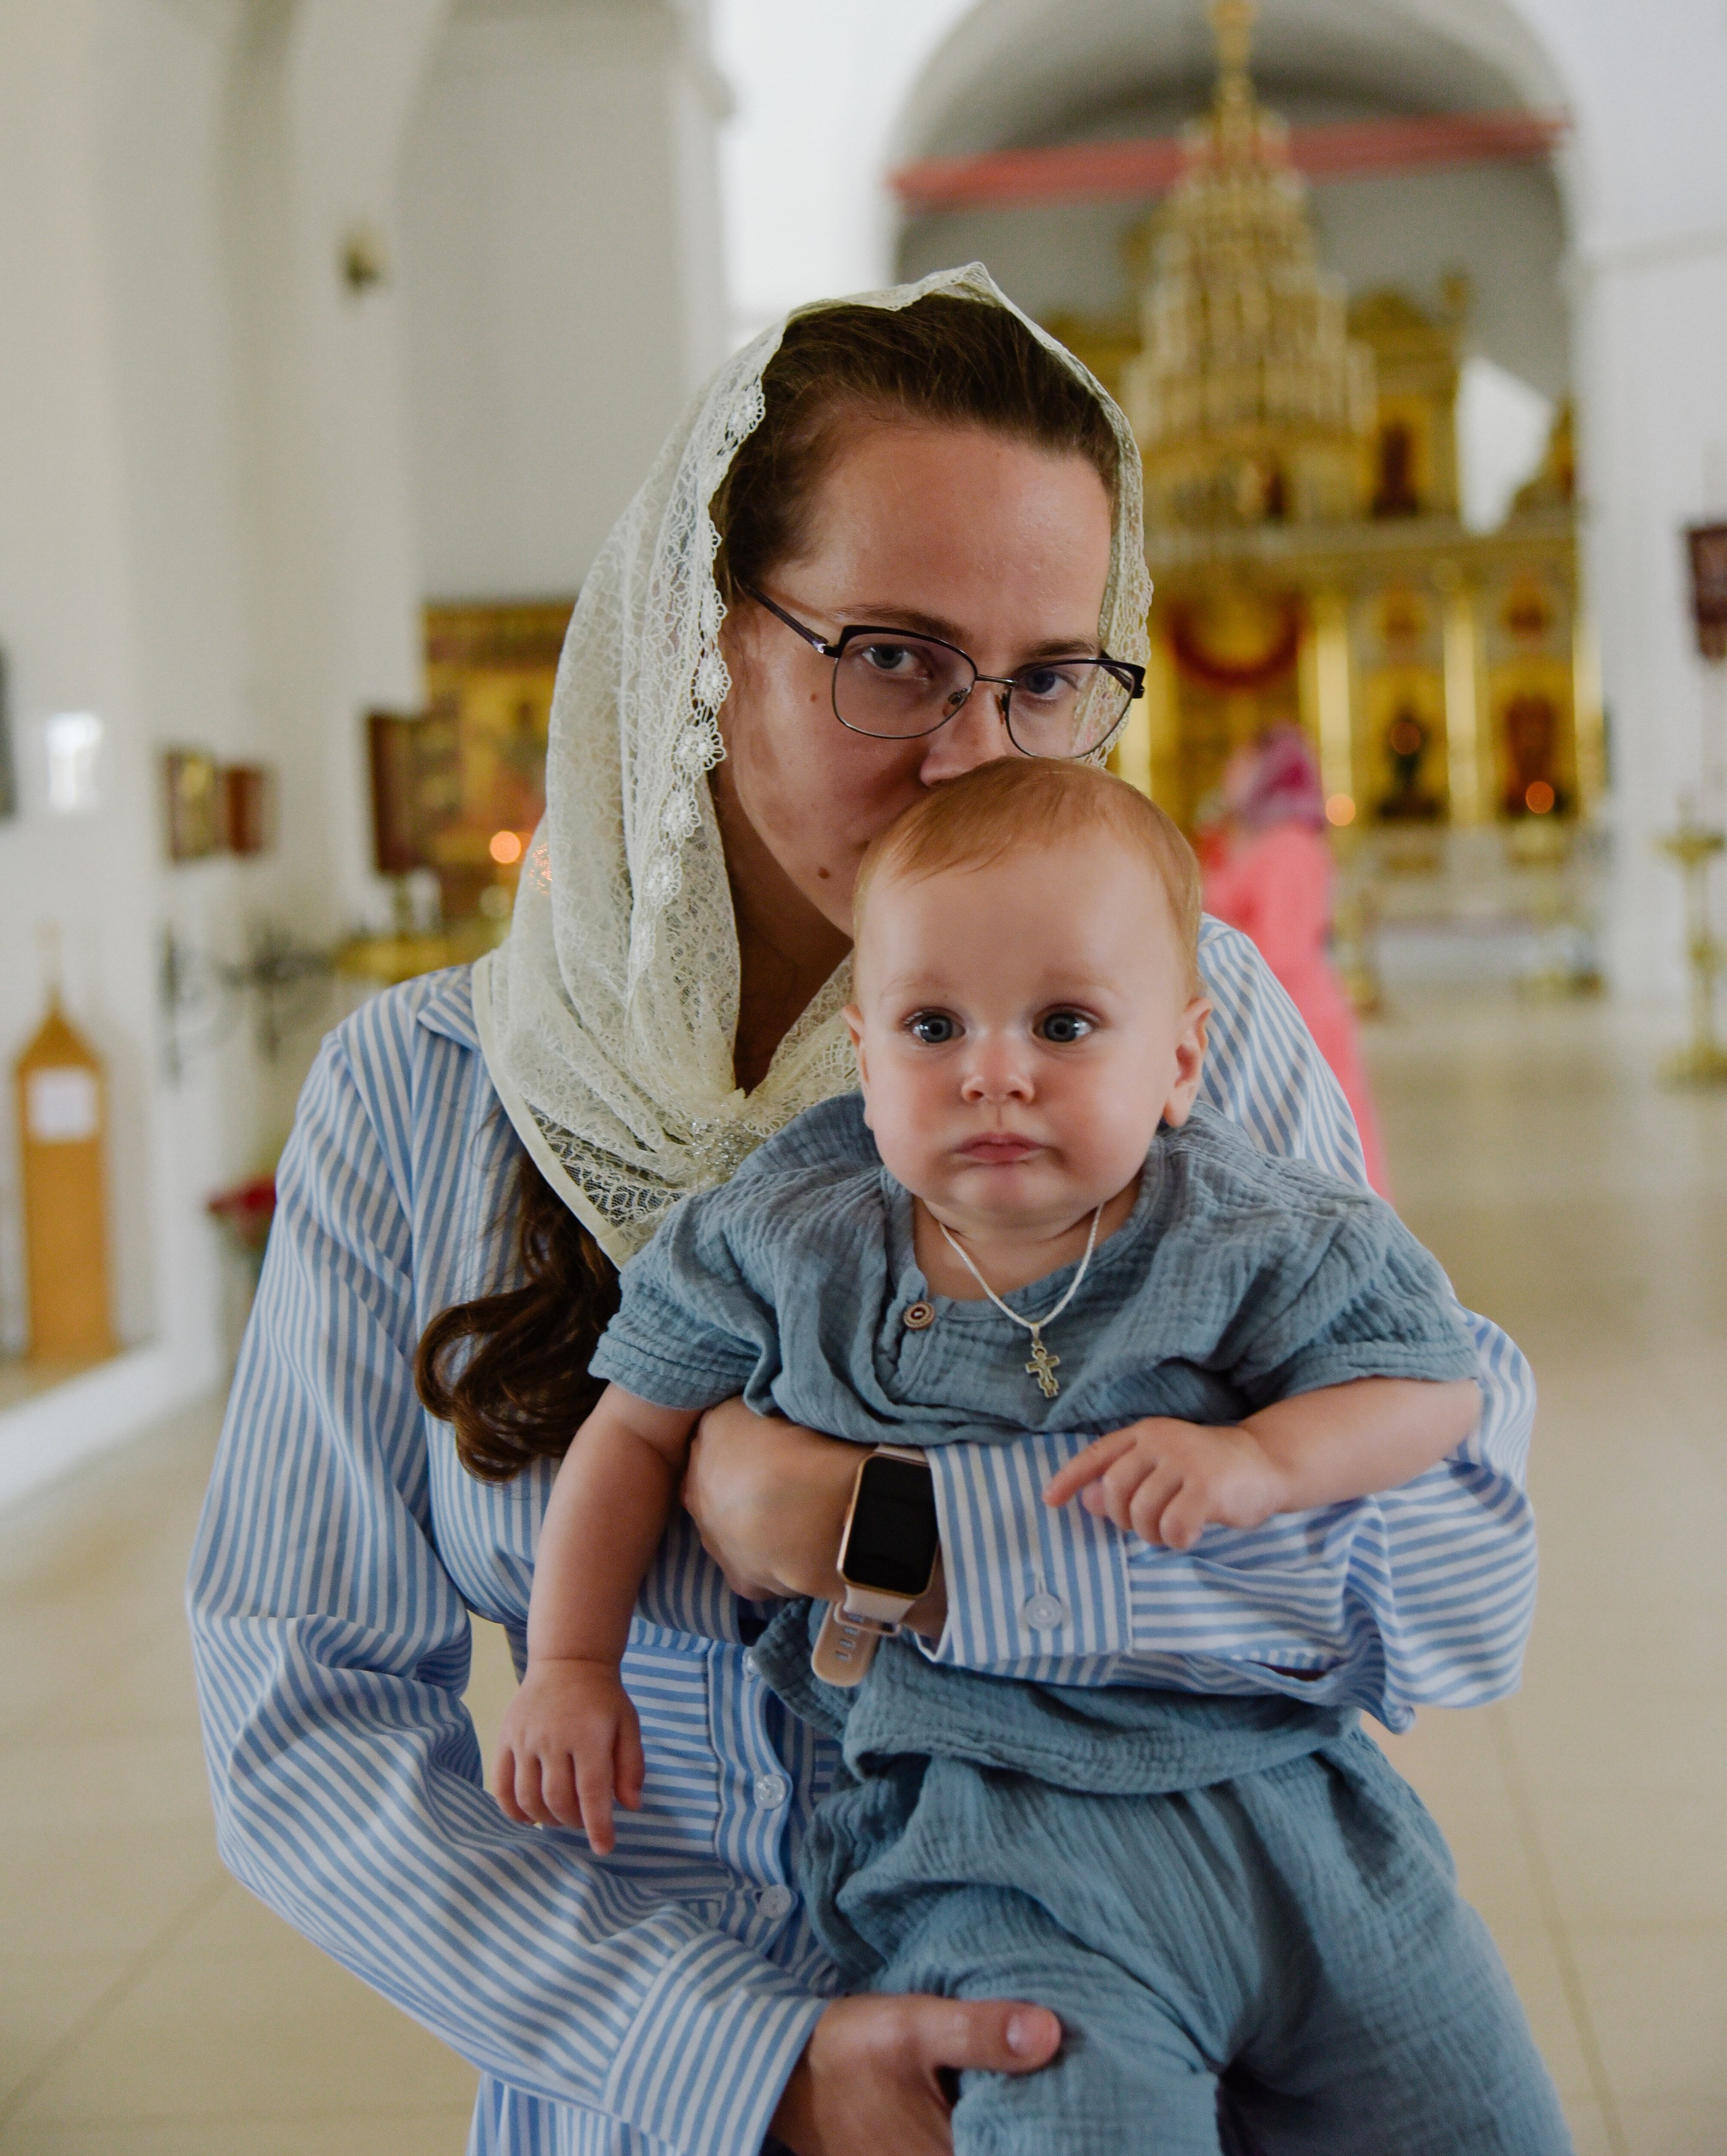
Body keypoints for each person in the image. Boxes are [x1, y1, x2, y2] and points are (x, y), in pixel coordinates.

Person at [188, 271, 1541, 2156]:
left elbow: (1451, 1588)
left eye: (1050, 674)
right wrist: (747, 2060)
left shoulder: (1167, 1038)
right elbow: (300, 1717)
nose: (977, 754)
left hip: (1129, 2048)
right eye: (892, 655)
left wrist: (886, 1526)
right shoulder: (425, 1094)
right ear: (707, 637)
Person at [492, 758, 1566, 2153]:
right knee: (1074, 2119)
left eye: (1063, 1024)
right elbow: (630, 1429)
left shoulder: (1254, 1226)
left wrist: (1262, 1464)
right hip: (989, 1839)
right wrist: (568, 1664)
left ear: (1179, 1059)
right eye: (932, 1025)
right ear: (864, 1057)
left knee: (1468, 2109)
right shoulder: (791, 1232)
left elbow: (1426, 1390)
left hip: (1290, 1807)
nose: (992, 1069)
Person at [1201, 723, 1389, 1193]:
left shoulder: (1290, 845)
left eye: (1241, 763)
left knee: (1312, 1145)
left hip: (1292, 1011)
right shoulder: (1247, 839)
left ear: (1270, 772)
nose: (1228, 772)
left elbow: (1281, 948)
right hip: (1260, 1004)